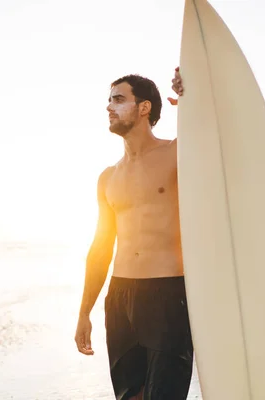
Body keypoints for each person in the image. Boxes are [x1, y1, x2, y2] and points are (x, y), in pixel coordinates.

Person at [74, 68, 189, 400]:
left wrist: (190, 95)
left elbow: (214, 130)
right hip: (120, 298)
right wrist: (85, 311)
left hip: (168, 294)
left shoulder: (176, 154)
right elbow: (100, 248)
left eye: (119, 99)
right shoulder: (108, 177)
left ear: (145, 108)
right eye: (109, 101)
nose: (109, 107)